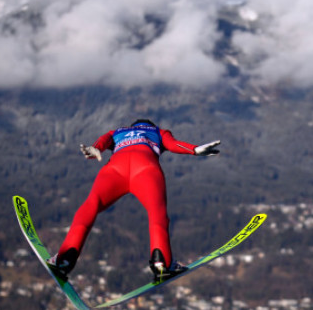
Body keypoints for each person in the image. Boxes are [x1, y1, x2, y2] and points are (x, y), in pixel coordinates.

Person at [47, 118, 220, 283]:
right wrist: (195, 149)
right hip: (146, 169)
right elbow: (174, 145)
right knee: (156, 213)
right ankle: (162, 263)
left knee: (92, 204)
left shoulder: (118, 132)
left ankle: (64, 259)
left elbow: (102, 141)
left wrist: (96, 148)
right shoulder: (158, 132)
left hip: (115, 170)